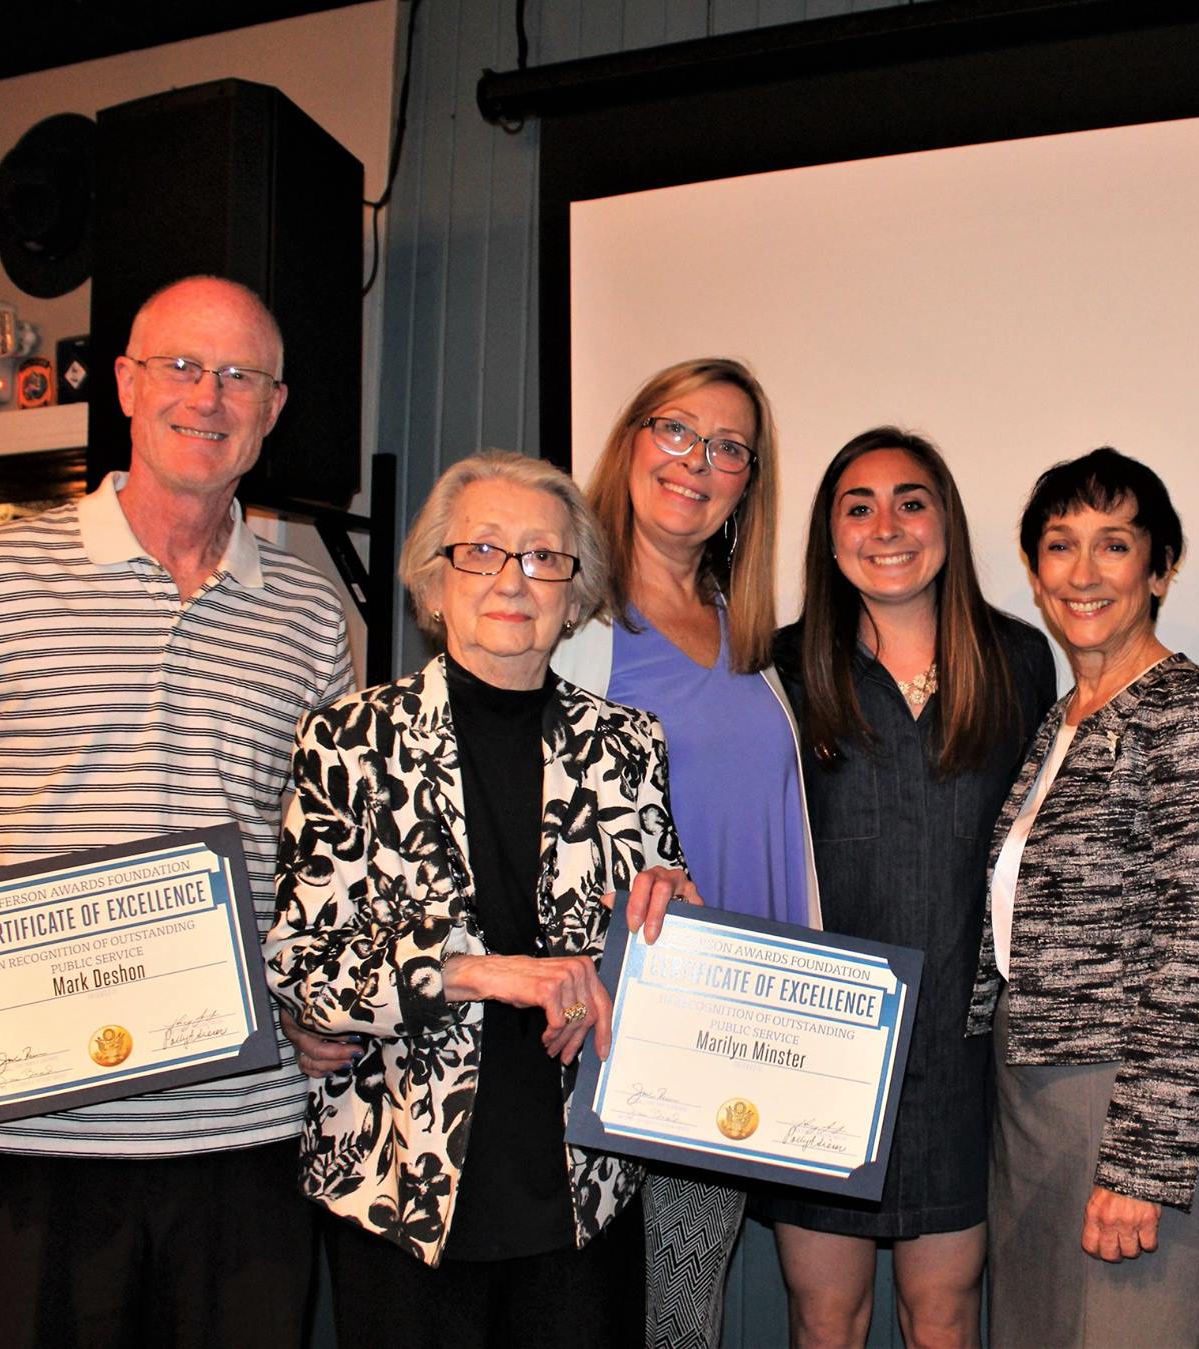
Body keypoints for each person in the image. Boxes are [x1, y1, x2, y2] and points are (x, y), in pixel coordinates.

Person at [0, 275, 353, 1348]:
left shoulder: (312, 615)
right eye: (180, 366)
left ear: (273, 407)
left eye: (238, 377)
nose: (206, 398)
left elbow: (326, 849)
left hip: (240, 1135)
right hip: (24, 1129)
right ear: (125, 381)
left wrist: (316, 996)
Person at [266, 451, 699, 1348]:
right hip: (399, 1194)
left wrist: (673, 927)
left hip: (585, 1190)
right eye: (483, 551)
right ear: (435, 579)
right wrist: (480, 973)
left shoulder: (628, 746)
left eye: (545, 557)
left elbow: (648, 945)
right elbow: (304, 968)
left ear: (574, 594)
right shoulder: (349, 741)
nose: (514, 578)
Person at [759, 429, 1057, 1348]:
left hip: (960, 1054)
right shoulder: (778, 665)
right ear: (830, 531)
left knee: (945, 1319)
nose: (886, 525)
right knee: (826, 1320)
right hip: (818, 1047)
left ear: (948, 521)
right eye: (859, 505)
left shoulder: (1017, 661)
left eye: (911, 500)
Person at [966, 448, 1199, 1348]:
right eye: (1060, 546)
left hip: (1129, 1100)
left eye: (1115, 545)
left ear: (1160, 567)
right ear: (1034, 570)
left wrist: (1143, 1161)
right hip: (1031, 1098)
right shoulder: (1060, 720)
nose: (1083, 573)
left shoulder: (1193, 710)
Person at [553, 357, 820, 1348]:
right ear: (629, 438)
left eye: (727, 448)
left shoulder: (751, 639)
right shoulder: (562, 613)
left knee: (682, 1316)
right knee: (585, 1314)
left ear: (748, 482)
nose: (695, 461)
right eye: (674, 430)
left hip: (730, 1035)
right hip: (604, 1034)